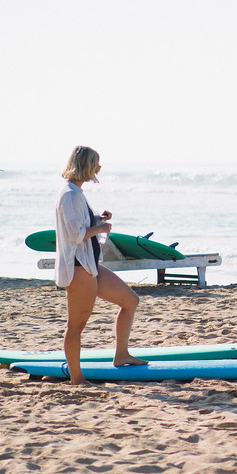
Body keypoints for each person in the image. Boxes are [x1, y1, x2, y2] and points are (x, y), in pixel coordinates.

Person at [55, 146, 147, 385]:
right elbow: (76, 234)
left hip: (90, 265)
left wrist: (98, 219)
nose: (99, 168)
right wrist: (101, 229)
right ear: (85, 165)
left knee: (130, 301)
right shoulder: (69, 194)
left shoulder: (76, 192)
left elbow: (80, 223)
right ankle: (77, 378)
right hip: (78, 268)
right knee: (76, 326)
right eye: (96, 163)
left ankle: (121, 354)